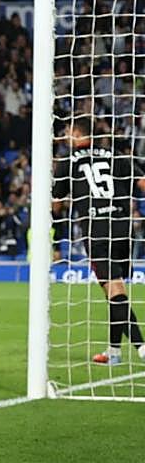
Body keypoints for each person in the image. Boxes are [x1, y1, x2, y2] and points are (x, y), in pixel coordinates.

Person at [53, 119, 145, 365]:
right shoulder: (116, 155)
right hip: (124, 228)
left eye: (66, 132)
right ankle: (113, 352)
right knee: (115, 292)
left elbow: (57, 203)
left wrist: (53, 239)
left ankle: (142, 346)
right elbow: (142, 183)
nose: (65, 137)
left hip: (97, 231)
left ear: (75, 133)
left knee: (114, 292)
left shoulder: (68, 160)